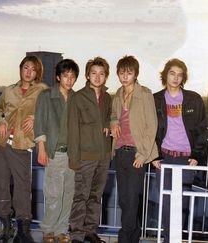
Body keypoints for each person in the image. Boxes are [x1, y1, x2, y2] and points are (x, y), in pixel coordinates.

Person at [0, 55, 48, 243]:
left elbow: (50, 113)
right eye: (25, 67)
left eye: (33, 69)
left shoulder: (42, 90)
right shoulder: (9, 90)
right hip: (1, 144)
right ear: (21, 69)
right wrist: (0, 121)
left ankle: (23, 231)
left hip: (22, 146)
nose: (29, 72)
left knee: (23, 189)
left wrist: (36, 118)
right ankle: (6, 228)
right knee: (1, 186)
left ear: (37, 72)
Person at [152, 58, 207, 243]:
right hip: (165, 157)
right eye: (172, 73)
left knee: (182, 204)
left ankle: (176, 240)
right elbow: (149, 130)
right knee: (167, 204)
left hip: (185, 160)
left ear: (183, 77)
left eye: (180, 75)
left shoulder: (193, 99)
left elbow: (201, 129)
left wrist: (196, 155)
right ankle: (169, 240)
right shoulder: (156, 99)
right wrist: (154, 156)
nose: (176, 78)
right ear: (165, 75)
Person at [110, 55, 158, 243]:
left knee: (131, 200)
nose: (125, 76)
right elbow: (114, 115)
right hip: (120, 152)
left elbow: (151, 126)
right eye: (122, 73)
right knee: (124, 200)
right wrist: (114, 122)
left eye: (129, 73)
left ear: (135, 74)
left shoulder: (145, 94)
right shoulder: (118, 95)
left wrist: (143, 154)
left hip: (137, 154)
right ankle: (134, 237)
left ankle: (124, 238)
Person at [34, 59, 79, 243]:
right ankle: (48, 230)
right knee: (54, 194)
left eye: (72, 76)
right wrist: (41, 149)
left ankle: (61, 230)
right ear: (58, 77)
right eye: (65, 76)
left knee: (68, 194)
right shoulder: (46, 96)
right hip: (55, 152)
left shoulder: (76, 97)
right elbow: (39, 123)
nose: (69, 80)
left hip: (73, 154)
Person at [67, 57, 111, 243]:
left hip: (104, 156)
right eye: (93, 73)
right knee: (80, 197)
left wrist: (109, 123)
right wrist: (74, 159)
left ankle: (90, 231)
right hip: (84, 156)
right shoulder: (77, 97)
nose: (97, 77)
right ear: (87, 75)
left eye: (101, 73)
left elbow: (110, 118)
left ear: (106, 76)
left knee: (96, 196)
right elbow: (72, 129)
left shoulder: (108, 97)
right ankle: (76, 235)